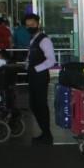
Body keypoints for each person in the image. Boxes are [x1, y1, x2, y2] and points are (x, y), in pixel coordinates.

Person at [24, 13, 56, 145]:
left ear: (38, 24)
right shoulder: (33, 40)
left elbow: (52, 60)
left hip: (40, 77)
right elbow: (30, 56)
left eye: (32, 24)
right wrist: (26, 65)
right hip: (33, 76)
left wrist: (36, 69)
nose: (30, 27)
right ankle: (44, 132)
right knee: (34, 104)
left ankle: (47, 135)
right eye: (27, 25)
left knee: (40, 105)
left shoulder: (44, 40)